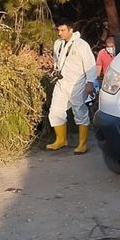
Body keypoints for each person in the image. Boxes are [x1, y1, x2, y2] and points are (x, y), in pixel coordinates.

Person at [46, 18, 97, 154]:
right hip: (62, 83)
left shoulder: (81, 45)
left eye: (63, 30)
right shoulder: (58, 43)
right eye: (58, 30)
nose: (60, 33)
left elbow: (90, 65)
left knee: (79, 111)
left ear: (71, 30)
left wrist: (90, 83)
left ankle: (82, 144)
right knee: (55, 111)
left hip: (77, 83)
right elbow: (57, 61)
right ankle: (61, 140)